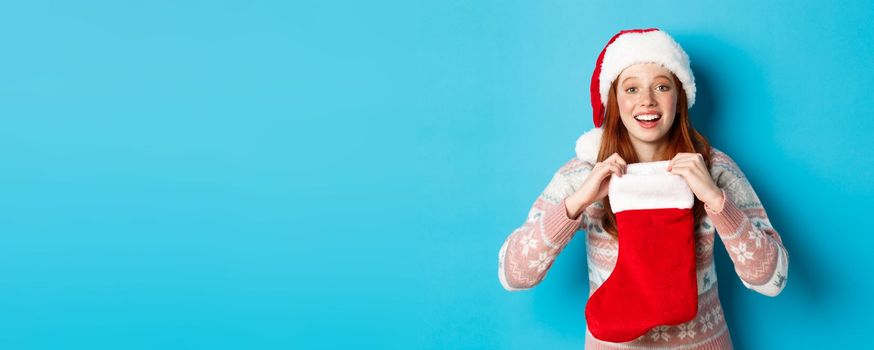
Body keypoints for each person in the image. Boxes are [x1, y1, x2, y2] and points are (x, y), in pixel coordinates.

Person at [497, 28, 789, 349]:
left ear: (680, 98)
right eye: (631, 88)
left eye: (661, 87)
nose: (646, 101)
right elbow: (514, 275)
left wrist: (716, 201)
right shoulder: (582, 174)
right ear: (614, 100)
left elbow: (772, 280)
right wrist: (576, 203)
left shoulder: (713, 169)